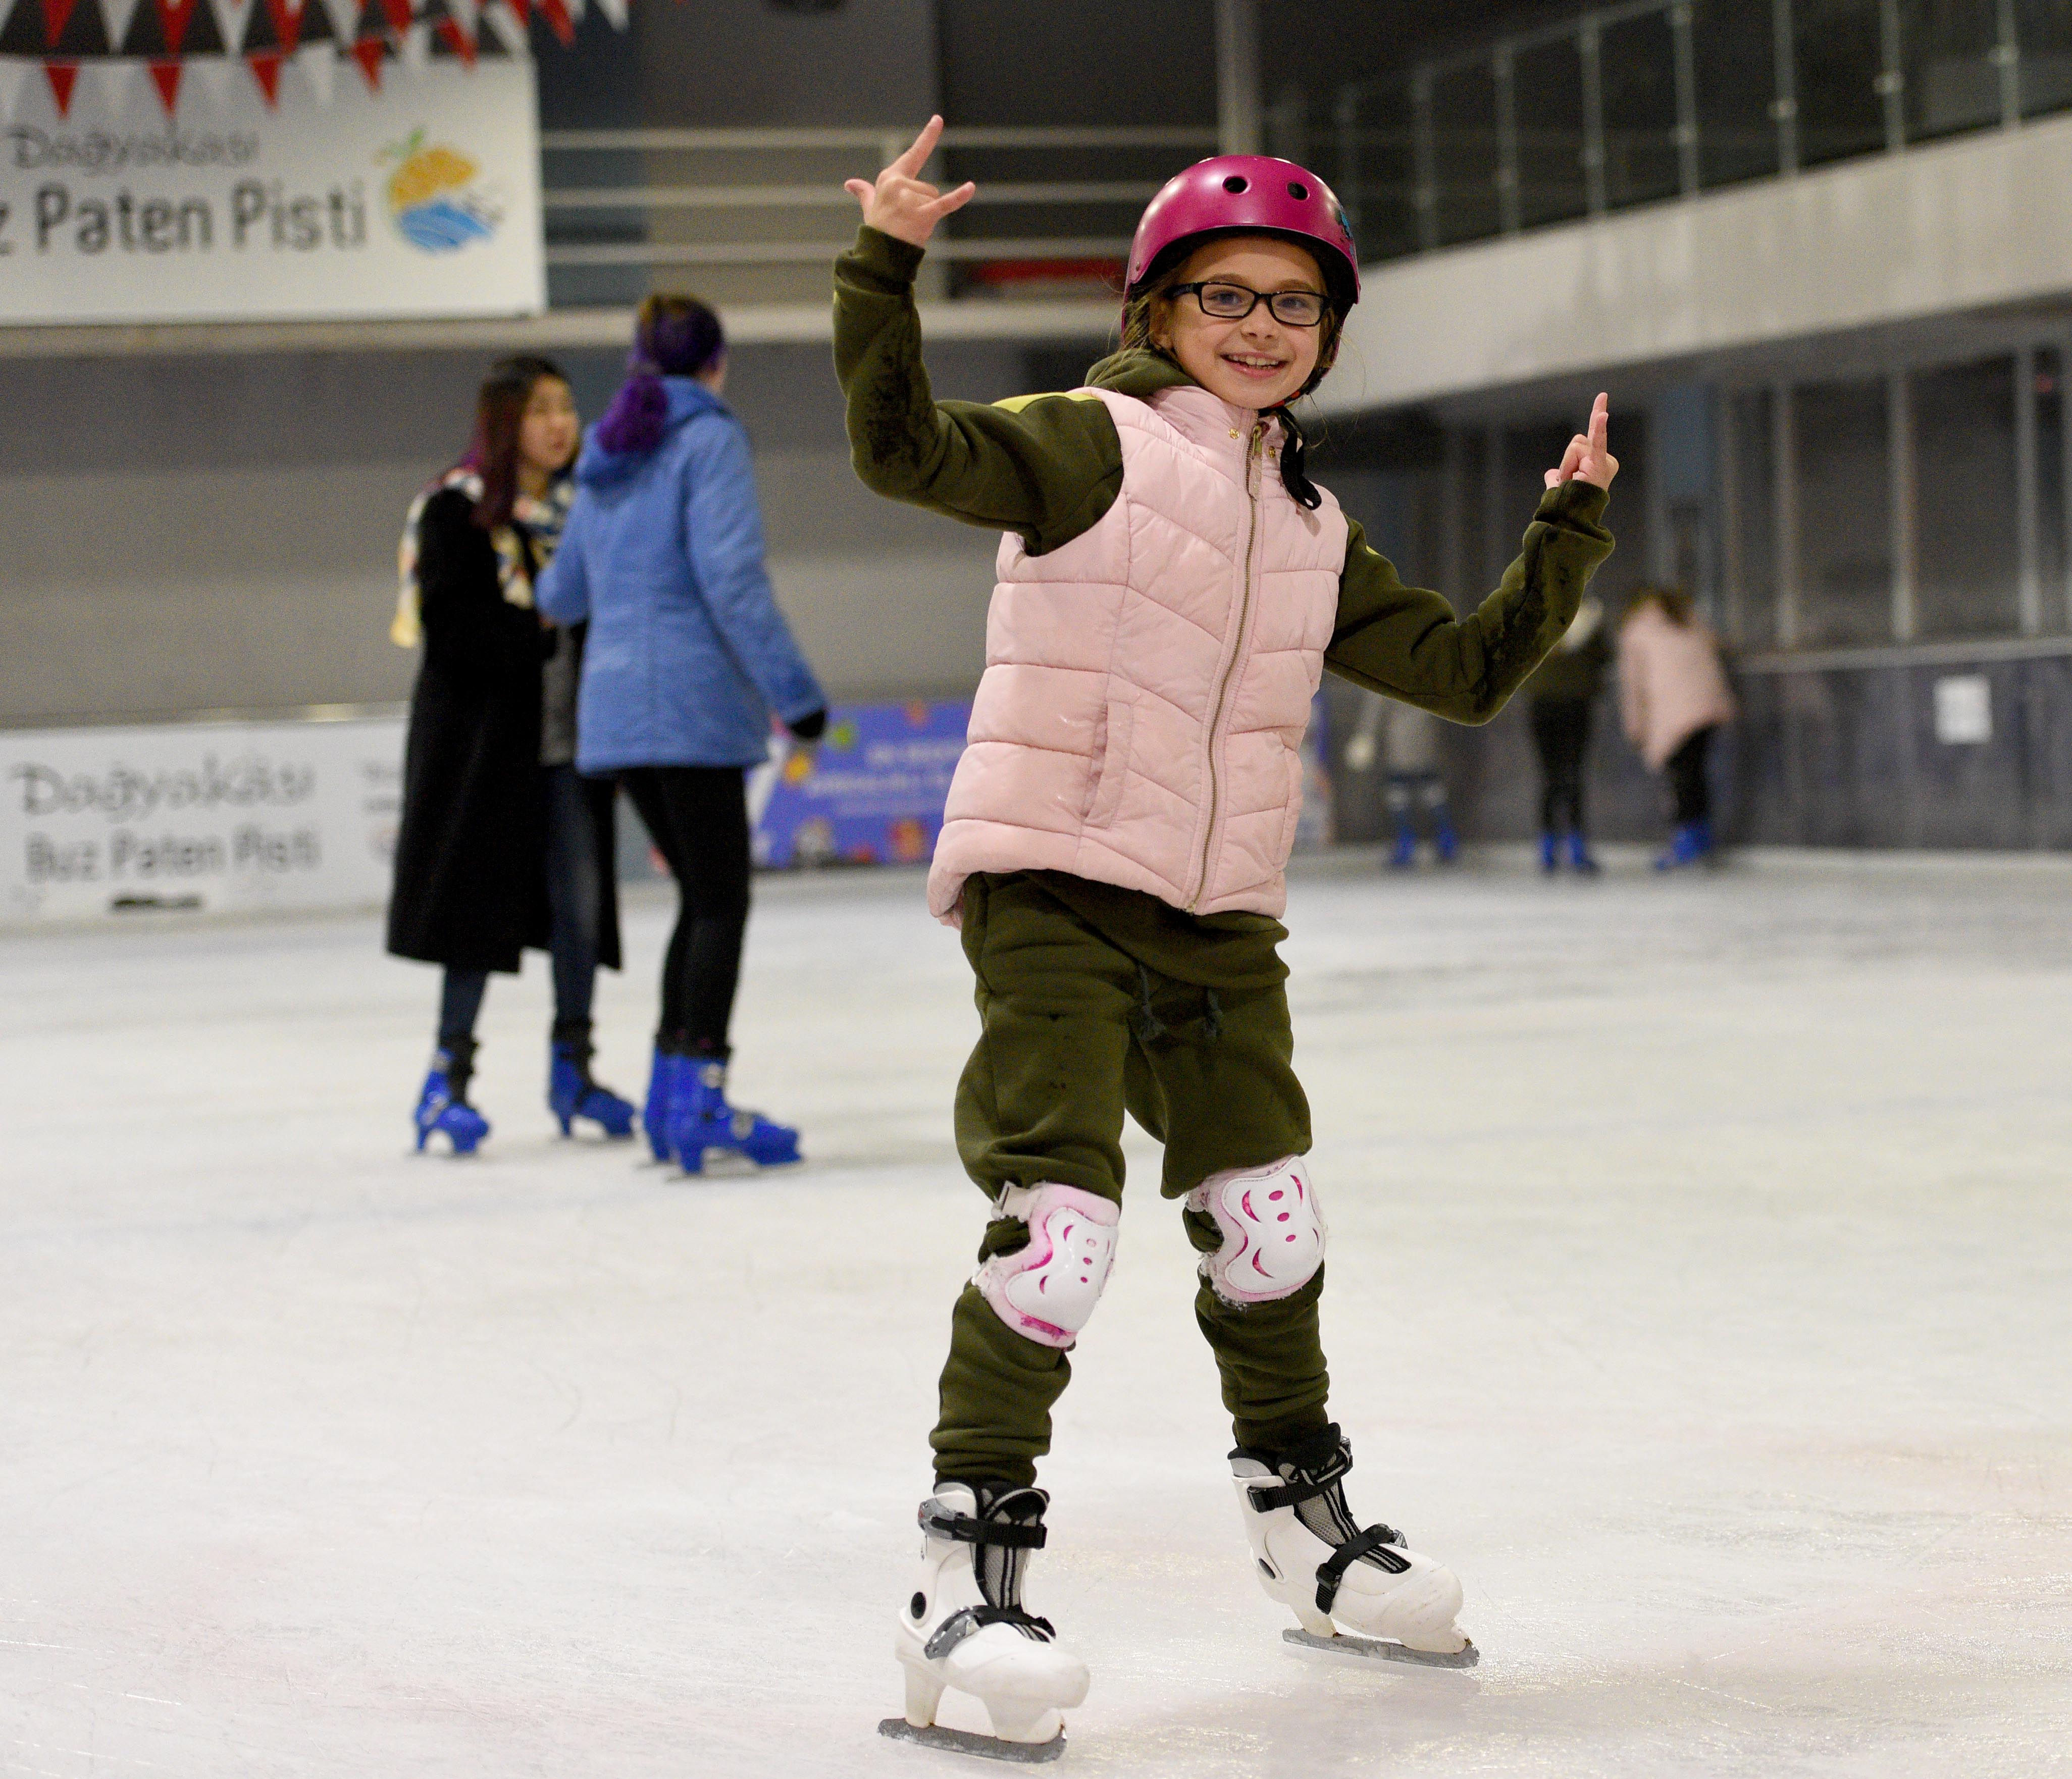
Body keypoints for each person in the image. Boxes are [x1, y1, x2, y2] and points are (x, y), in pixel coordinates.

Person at [837, 120, 1619, 1757]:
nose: (1259, 327)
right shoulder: (1086, 442)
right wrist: (885, 263)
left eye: (1291, 303)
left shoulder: (1316, 528)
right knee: (1059, 1224)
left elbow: (1470, 671)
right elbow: (904, 453)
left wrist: (1564, 529)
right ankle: (961, 1568)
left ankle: (1303, 1525)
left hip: (1219, 922)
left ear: (1327, 332)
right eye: (1222, 296)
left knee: (1266, 1226)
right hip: (1055, 882)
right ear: (1156, 306)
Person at [536, 295, 828, 1175]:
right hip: (689, 707)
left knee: (698, 900)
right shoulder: (709, 440)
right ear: (714, 362)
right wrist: (796, 692)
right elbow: (730, 577)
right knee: (719, 901)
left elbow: (561, 598)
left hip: (616, 713)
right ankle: (697, 1097)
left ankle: (673, 1099)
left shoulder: (605, 453)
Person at [387, 356, 635, 1156]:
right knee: (475, 917)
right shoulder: (456, 510)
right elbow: (450, 629)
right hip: (484, 754)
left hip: (568, 750)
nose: (561, 425)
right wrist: (540, 628)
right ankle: (445, 1082)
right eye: (541, 411)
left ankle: (575, 1071)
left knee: (579, 911)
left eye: (567, 407)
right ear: (505, 423)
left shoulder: (586, 510)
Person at [1616, 585, 1736, 869]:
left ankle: (1685, 845)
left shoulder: (1635, 630)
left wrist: (1635, 728)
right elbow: (1716, 646)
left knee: (1681, 779)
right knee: (1696, 775)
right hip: (1709, 708)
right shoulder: (1689, 620)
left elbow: (1633, 686)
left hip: (1675, 715)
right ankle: (1700, 840)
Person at [1522, 594, 1612, 873]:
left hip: (1542, 702)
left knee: (1549, 776)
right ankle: (1576, 848)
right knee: (1572, 773)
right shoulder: (1590, 618)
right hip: (1576, 702)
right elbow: (1605, 657)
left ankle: (1548, 850)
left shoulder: (1534, 615)